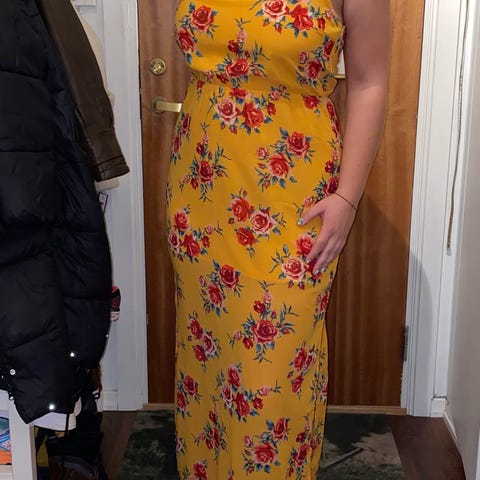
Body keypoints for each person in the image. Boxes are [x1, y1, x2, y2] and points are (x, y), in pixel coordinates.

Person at [167, 0, 389, 478]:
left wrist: (348, 198)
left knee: (273, 371)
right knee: (209, 357)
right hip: (201, 189)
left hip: (294, 194)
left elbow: (370, 82)